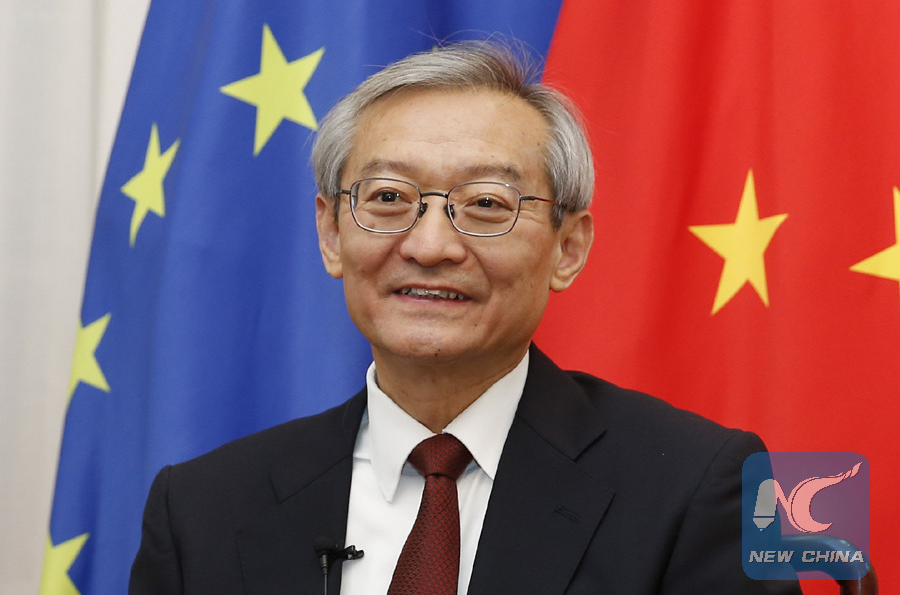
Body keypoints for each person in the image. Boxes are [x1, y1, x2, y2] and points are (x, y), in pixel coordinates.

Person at [129, 41, 800, 594]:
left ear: (568, 249)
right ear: (331, 234)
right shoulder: (201, 508)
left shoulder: (702, 487)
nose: (429, 247)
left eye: (485, 205)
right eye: (388, 198)